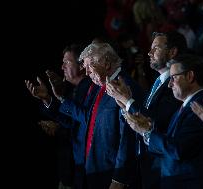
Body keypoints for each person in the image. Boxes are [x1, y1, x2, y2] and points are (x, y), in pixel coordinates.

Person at [55, 42, 144, 189]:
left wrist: (119, 178)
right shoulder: (100, 87)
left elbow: (129, 138)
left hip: (112, 177)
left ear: (107, 63)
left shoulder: (124, 86)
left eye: (90, 66)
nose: (87, 72)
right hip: (96, 172)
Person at [106, 31, 186, 189]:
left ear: (172, 52)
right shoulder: (157, 81)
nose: (149, 53)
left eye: (155, 48)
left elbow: (154, 121)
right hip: (145, 168)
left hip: (161, 170)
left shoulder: (175, 86)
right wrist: (125, 107)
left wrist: (127, 100)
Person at [125, 54, 203, 189]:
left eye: (173, 78)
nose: (169, 84)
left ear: (190, 76)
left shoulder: (202, 107)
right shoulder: (186, 105)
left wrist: (147, 132)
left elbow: (178, 149)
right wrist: (148, 130)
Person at [25, 43, 92, 189]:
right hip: (69, 172)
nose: (62, 67)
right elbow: (68, 119)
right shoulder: (70, 89)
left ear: (82, 65)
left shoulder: (91, 89)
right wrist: (47, 99)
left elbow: (86, 124)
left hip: (85, 172)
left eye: (67, 62)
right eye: (62, 63)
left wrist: (59, 128)